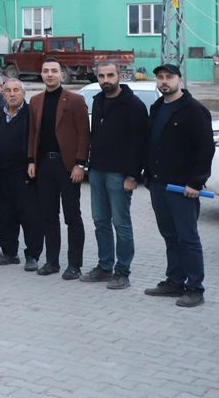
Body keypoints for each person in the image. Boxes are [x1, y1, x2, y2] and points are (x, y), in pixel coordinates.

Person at [143, 64, 214, 308]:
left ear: (179, 80)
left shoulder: (194, 110)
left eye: (169, 77)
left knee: (187, 238)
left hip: (182, 188)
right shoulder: (157, 107)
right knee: (170, 236)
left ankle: (195, 288)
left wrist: (195, 182)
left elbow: (206, 149)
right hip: (158, 184)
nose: (164, 81)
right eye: (160, 77)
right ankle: (174, 282)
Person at [82, 60, 149, 289]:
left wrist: (132, 176)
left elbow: (139, 143)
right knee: (100, 221)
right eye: (101, 76)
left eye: (110, 75)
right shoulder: (98, 101)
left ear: (119, 75)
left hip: (120, 175)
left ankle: (122, 272)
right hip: (97, 171)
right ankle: (104, 267)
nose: (106, 80)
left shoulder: (133, 105)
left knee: (121, 224)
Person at [26, 57, 90, 279]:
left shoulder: (75, 100)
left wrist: (80, 163)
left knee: (72, 216)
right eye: (46, 71)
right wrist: (31, 160)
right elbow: (33, 133)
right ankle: (52, 262)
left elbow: (84, 134)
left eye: (54, 71)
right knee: (48, 216)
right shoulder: (35, 101)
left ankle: (74, 265)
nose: (50, 74)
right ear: (41, 74)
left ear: (61, 74)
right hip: (44, 165)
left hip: (68, 166)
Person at [0, 79, 43, 270]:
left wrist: (33, 162)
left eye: (16, 90)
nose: (12, 94)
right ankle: (9, 253)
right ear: (3, 94)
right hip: (2, 174)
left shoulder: (31, 114)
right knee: (5, 215)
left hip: (25, 174)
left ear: (24, 93)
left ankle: (33, 256)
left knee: (30, 217)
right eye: (8, 90)